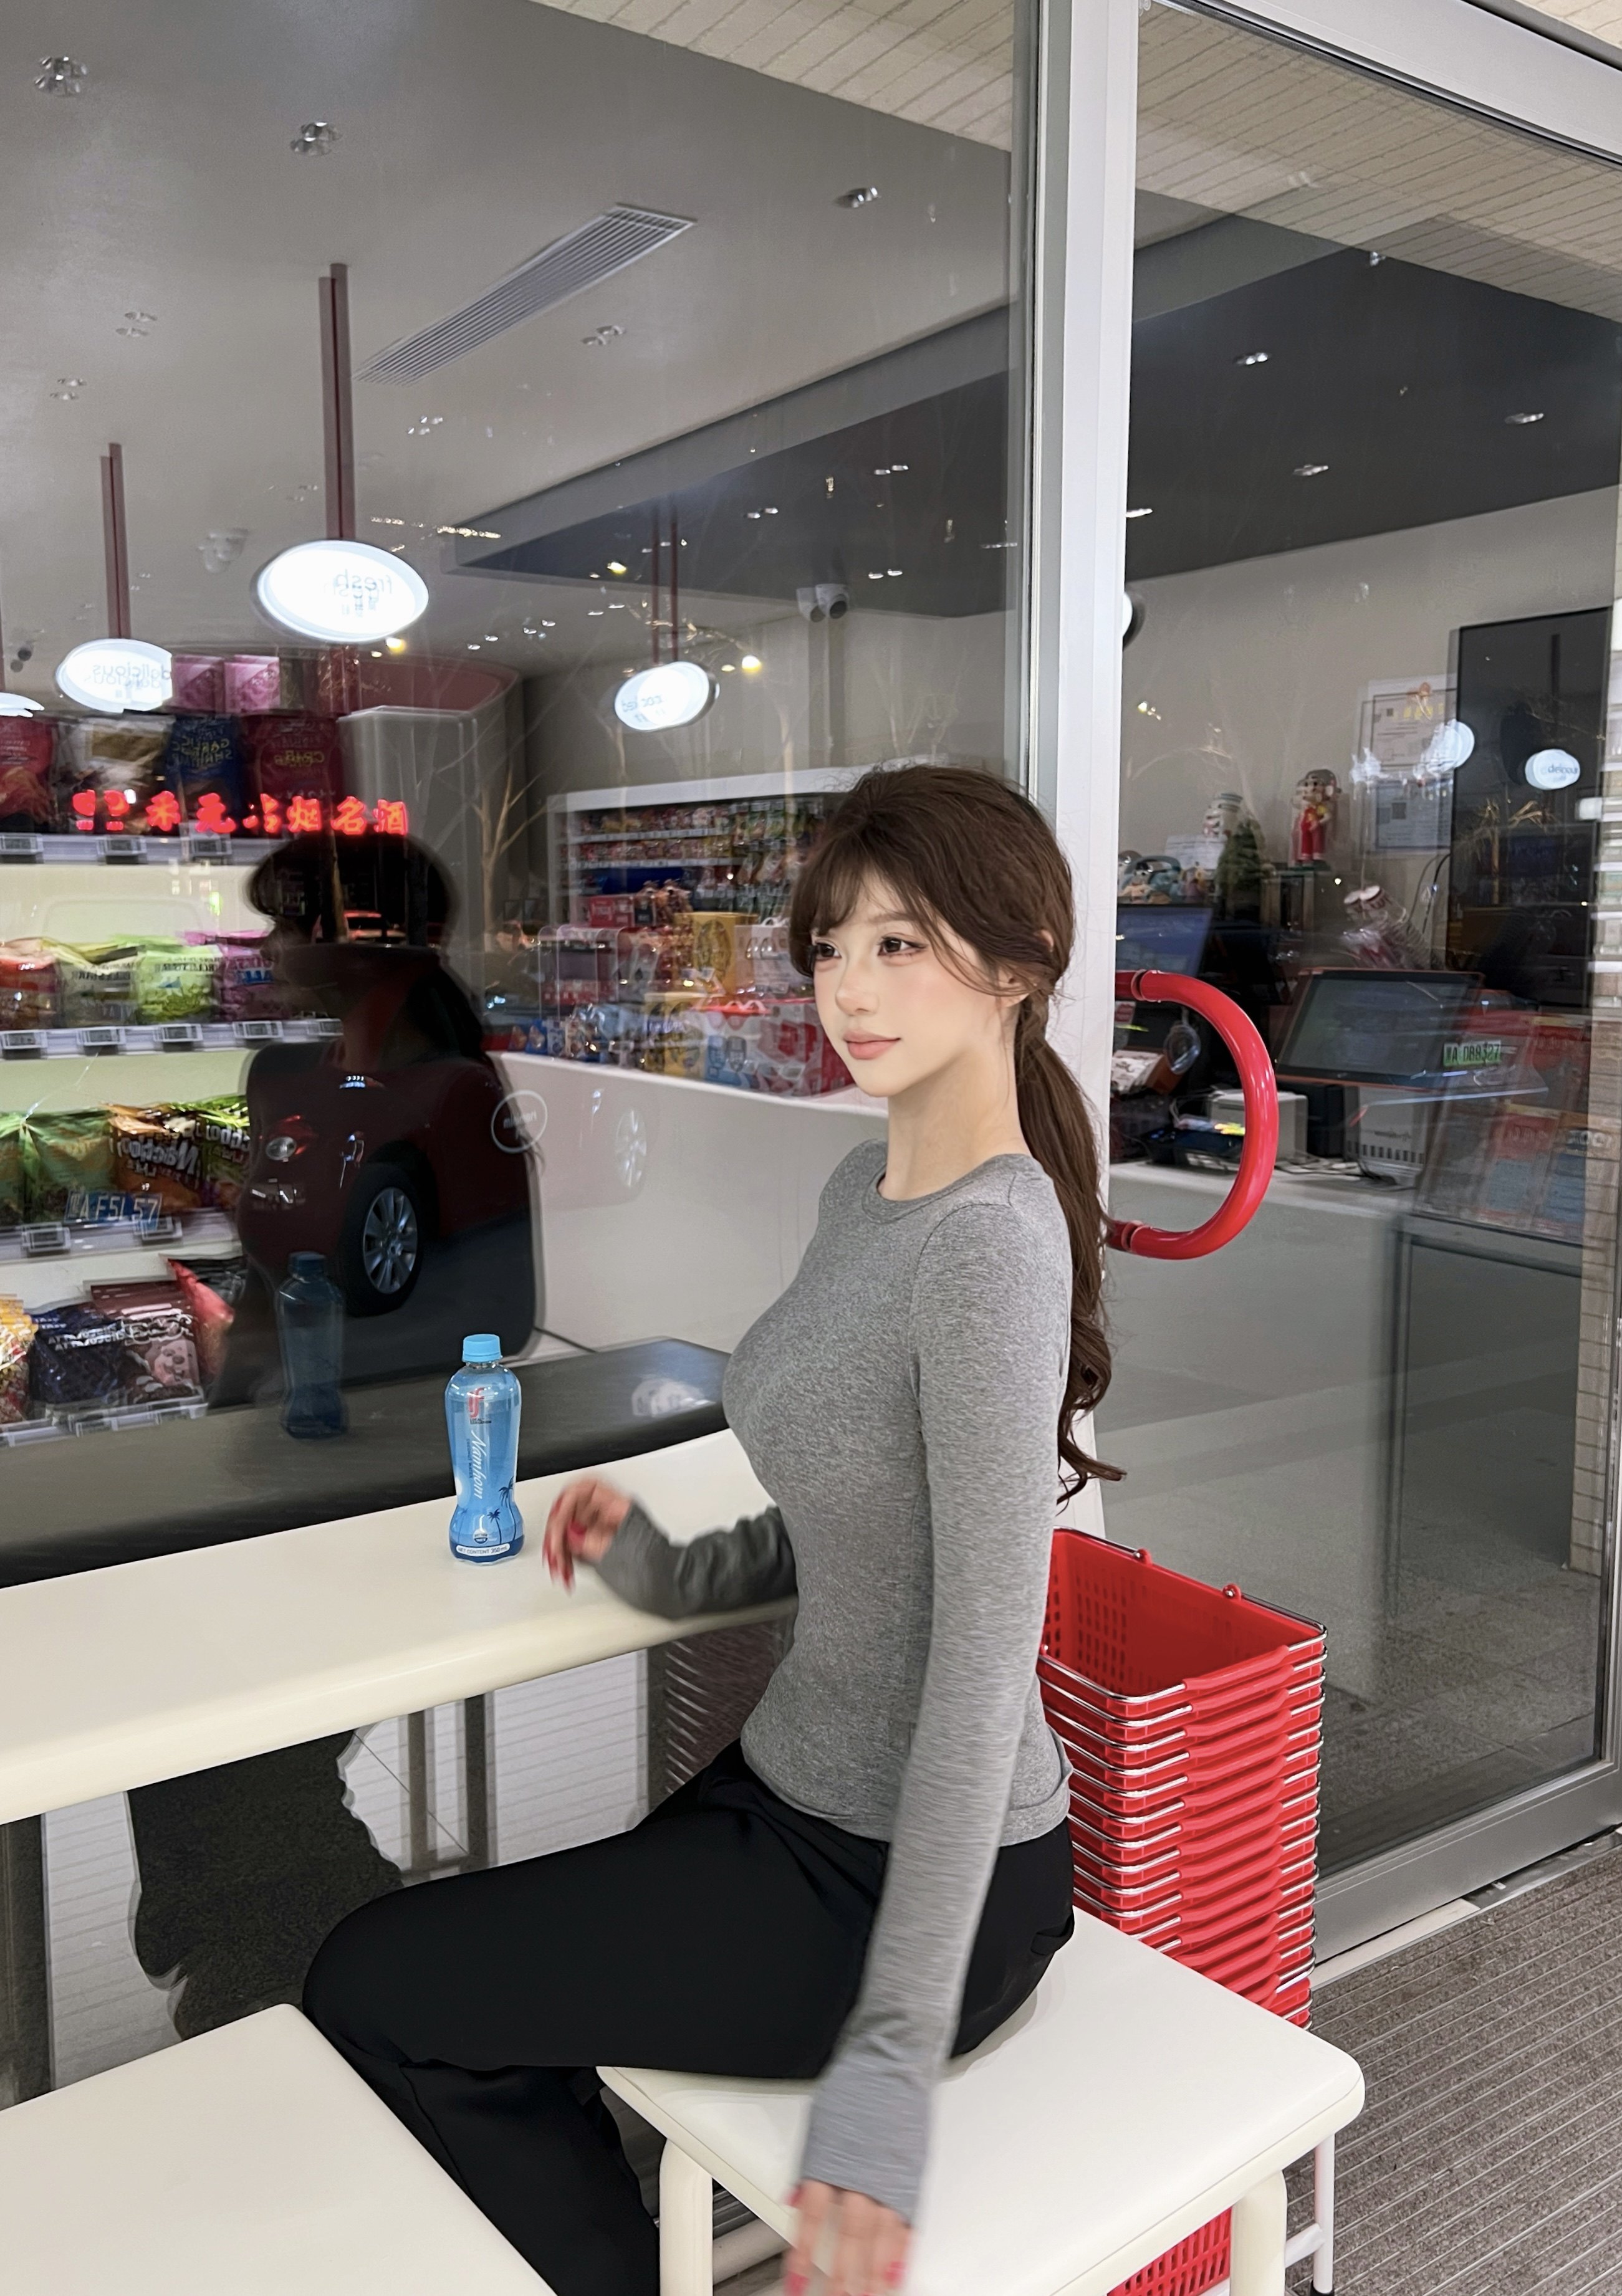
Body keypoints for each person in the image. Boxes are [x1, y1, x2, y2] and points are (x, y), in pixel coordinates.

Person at [304, 763, 1120, 2296]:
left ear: (1018, 967)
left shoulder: (990, 1249)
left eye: (899, 944)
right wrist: (670, 1568)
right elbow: (864, 1523)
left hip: (911, 1878)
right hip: (790, 1792)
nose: (846, 990)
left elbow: (980, 1656)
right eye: (829, 946)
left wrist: (885, 2072)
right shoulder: (863, 1188)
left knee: (378, 1985)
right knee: (477, 1984)